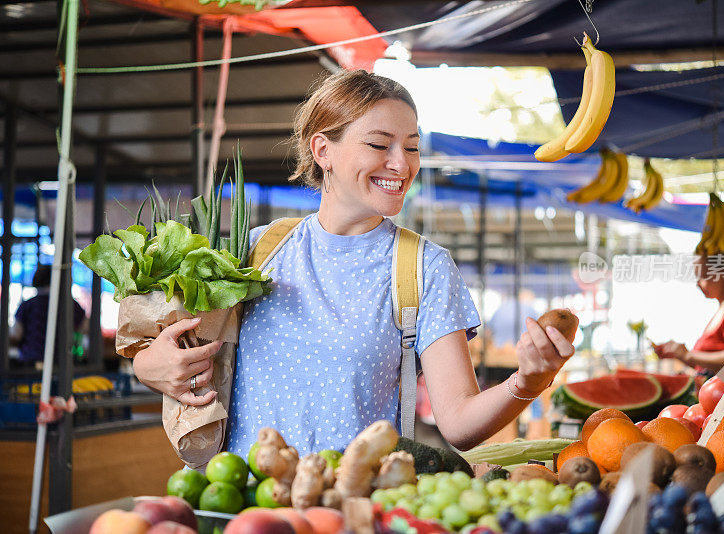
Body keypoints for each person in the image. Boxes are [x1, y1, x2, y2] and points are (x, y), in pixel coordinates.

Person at [131, 70, 575, 457]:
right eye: (380, 144)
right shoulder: (254, 251)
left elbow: (458, 425)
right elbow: (174, 350)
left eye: (412, 147)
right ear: (323, 150)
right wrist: (148, 367)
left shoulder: (425, 269)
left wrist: (527, 382)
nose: (401, 164)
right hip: (245, 505)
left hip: (358, 508)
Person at [654, 252, 724, 376]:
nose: (697, 283)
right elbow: (708, 366)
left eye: (704, 275)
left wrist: (688, 355)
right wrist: (679, 354)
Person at [9, 264, 87, 366]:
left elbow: (16, 335)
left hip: (30, 364)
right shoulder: (72, 305)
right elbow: (85, 329)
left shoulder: (27, 305)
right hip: (62, 364)